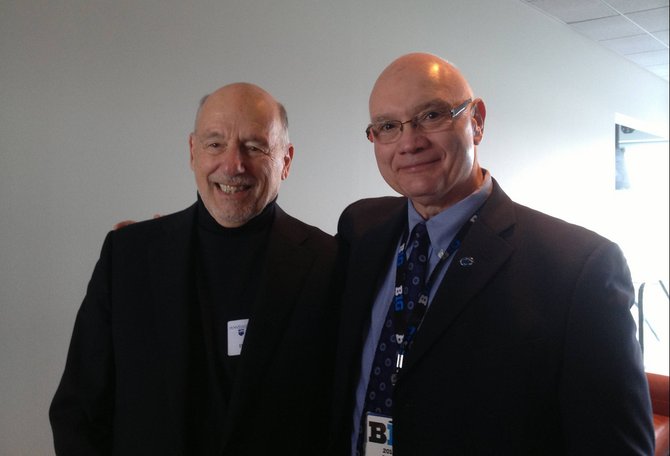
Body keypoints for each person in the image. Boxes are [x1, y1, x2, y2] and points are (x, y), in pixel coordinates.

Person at [330, 53, 655, 455]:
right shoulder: (361, 228)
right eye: (388, 127)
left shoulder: (578, 267)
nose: (409, 142)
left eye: (431, 115)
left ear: (477, 121)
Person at [49, 83, 339, 455]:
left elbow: (341, 410)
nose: (234, 165)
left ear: (285, 160)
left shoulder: (329, 263)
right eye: (215, 144)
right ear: (192, 151)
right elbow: (79, 410)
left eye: (254, 146)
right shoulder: (129, 257)